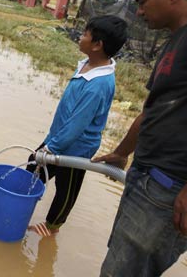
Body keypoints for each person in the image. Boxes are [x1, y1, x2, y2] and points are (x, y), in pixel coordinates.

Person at [94, 0, 187, 276]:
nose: (140, 11)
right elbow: (152, 112)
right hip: (147, 180)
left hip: (174, 185)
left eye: (144, 1)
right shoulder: (174, 44)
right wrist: (121, 153)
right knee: (119, 265)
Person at [26, 15, 128, 237]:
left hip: (76, 148)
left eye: (84, 34)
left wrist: (51, 148)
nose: (80, 37)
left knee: (66, 189)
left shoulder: (98, 84)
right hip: (59, 138)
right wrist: (52, 144)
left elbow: (77, 124)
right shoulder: (88, 65)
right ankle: (21, 207)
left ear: (97, 45)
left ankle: (52, 227)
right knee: (33, 168)